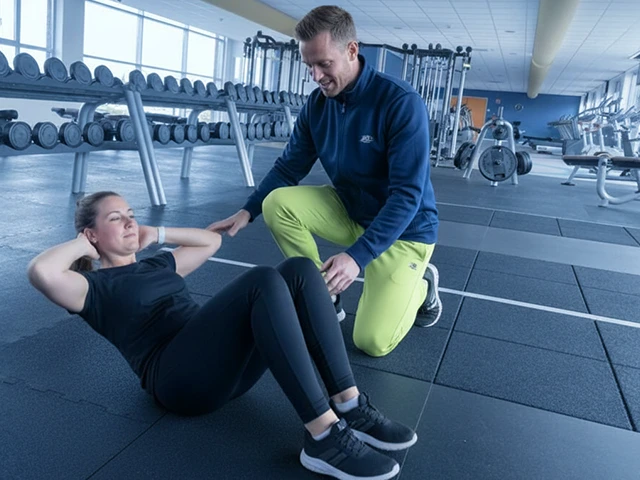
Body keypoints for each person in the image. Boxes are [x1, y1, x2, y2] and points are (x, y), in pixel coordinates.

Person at [27, 191, 418, 480]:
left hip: (222, 368)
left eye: (131, 214)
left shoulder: (157, 265)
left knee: (299, 269)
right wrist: (83, 244)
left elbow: (210, 241)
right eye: (116, 219)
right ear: (91, 234)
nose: (130, 222)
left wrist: (156, 232)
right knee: (261, 280)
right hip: (179, 381)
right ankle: (324, 436)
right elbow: (41, 272)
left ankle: (350, 405)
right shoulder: (91, 289)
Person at [209, 5, 442, 358]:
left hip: (404, 232)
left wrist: (356, 257)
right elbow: (288, 167)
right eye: (309, 66)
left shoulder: (399, 102)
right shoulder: (317, 106)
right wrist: (247, 211)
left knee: (372, 342)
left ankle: (422, 285)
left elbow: (407, 196)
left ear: (352, 50)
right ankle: (324, 294)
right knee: (277, 203)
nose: (316, 76)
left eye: (324, 64)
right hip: (351, 211)